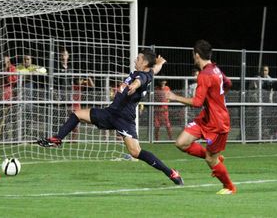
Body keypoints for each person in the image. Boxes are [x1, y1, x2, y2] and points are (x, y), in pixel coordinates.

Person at [37, 49, 183, 185]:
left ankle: (171, 173)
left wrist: (134, 86)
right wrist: (160, 63)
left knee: (135, 152)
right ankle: (57, 139)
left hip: (124, 119)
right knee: (77, 114)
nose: (135, 60)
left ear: (144, 62)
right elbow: (154, 70)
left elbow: (141, 80)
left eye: (138, 58)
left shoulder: (142, 76)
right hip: (110, 113)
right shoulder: (149, 72)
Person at [166, 40, 236, 194]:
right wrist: (217, 97)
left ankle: (229, 187)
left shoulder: (204, 74)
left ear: (197, 55)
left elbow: (197, 102)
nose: (193, 58)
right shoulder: (216, 69)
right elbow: (229, 83)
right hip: (206, 117)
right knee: (181, 143)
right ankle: (214, 158)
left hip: (218, 123)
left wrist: (175, 97)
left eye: (193, 55)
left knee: (211, 160)